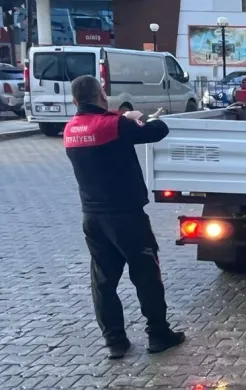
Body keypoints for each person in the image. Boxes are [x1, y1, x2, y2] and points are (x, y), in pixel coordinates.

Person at [64, 75, 186, 359]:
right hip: (126, 217)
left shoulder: (71, 129)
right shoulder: (115, 125)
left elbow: (104, 129)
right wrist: (137, 120)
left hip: (92, 217)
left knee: (103, 281)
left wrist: (126, 119)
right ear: (102, 95)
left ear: (74, 101)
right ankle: (158, 334)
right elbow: (159, 130)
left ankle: (115, 341)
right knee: (146, 274)